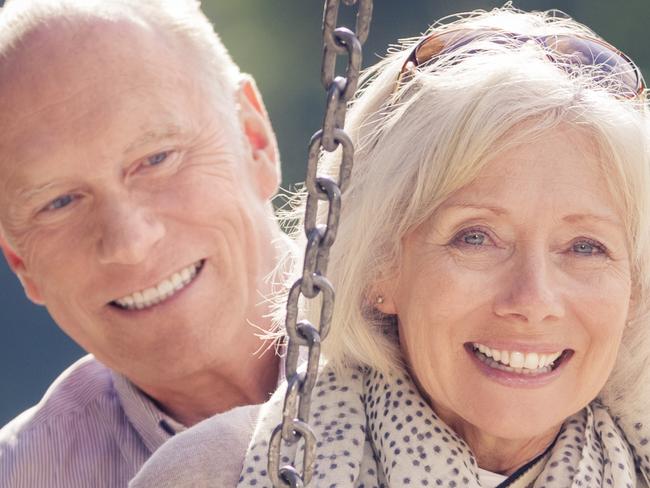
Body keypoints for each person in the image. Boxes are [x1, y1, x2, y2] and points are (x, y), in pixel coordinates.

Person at [132, 6, 650, 488]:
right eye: (475, 237)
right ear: (380, 266)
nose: (533, 300)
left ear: (633, 287)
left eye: (585, 247)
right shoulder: (219, 470)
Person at [0, 0, 290, 486]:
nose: (129, 242)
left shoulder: (448, 354)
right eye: (60, 202)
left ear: (254, 140)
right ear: (21, 262)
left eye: (157, 159)